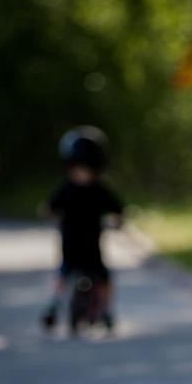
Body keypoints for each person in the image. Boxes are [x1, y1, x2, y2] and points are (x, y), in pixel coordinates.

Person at [40, 126, 124, 332]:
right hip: (75, 247)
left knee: (99, 277)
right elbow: (49, 208)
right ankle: (56, 302)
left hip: (86, 248)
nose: (82, 173)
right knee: (65, 274)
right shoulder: (91, 189)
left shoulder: (78, 189)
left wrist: (118, 220)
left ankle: (104, 308)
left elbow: (118, 210)